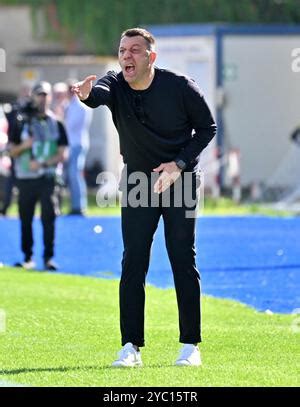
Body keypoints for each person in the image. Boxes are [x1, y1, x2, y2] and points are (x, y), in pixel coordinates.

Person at [72, 28, 216, 367]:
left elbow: (208, 128)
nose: (127, 56)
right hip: (138, 181)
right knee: (133, 261)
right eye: (122, 50)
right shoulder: (115, 83)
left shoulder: (180, 85)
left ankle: (190, 346)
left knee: (182, 258)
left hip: (179, 179)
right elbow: (99, 94)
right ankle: (130, 347)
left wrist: (179, 164)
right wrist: (86, 95)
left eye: (135, 50)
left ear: (151, 57)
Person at [9, 81, 68, 271]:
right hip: (25, 178)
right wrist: (24, 146)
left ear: (50, 97)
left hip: (48, 178)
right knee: (25, 218)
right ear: (32, 97)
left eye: (45, 95)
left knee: (48, 217)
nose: (42, 99)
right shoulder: (21, 122)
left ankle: (48, 257)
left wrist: (43, 163)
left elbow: (62, 153)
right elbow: (10, 151)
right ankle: (28, 257)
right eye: (39, 95)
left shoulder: (57, 123)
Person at [64, 79, 93, 215]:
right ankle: (77, 204)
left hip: (77, 144)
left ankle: (79, 206)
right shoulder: (71, 106)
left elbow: (70, 125)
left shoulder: (80, 106)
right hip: (73, 144)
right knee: (73, 175)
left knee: (75, 175)